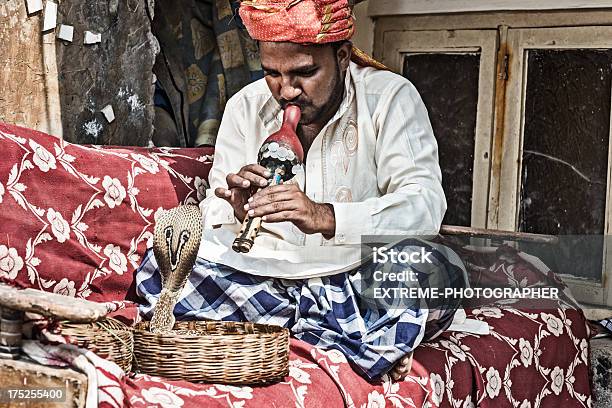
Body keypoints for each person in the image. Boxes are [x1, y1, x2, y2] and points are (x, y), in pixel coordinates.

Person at [137, 0, 468, 381]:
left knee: (437, 270)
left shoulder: (389, 98)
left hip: (355, 275)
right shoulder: (244, 107)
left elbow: (423, 205)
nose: (287, 91)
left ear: (342, 56)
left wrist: (324, 216)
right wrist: (236, 210)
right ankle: (361, 341)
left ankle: (296, 330)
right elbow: (214, 208)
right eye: (272, 73)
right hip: (271, 275)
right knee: (162, 268)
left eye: (304, 73)